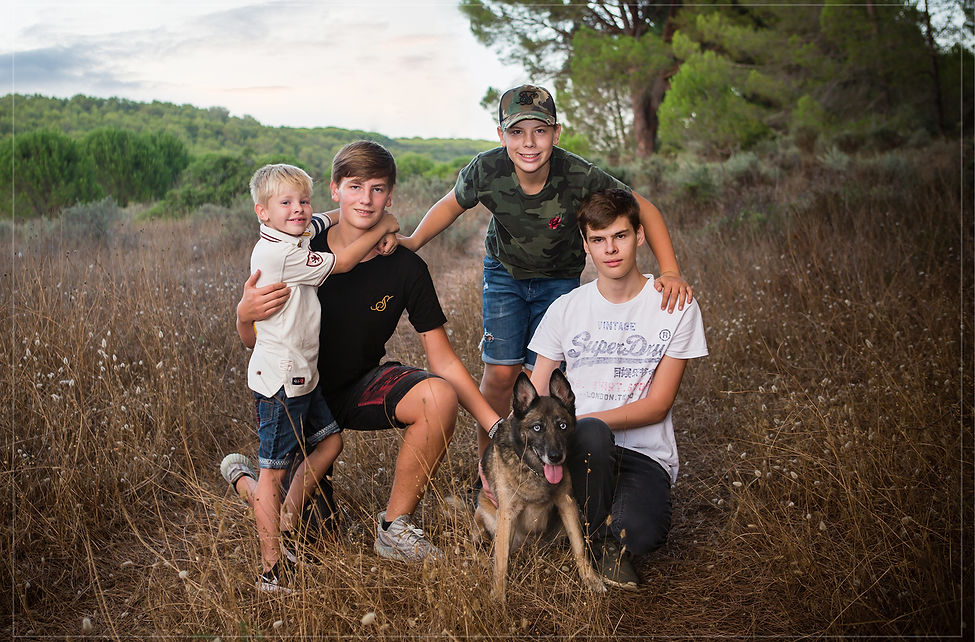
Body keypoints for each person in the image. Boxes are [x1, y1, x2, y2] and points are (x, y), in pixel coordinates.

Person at [227, 141, 502, 569]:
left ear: (390, 196)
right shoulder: (301, 241)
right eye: (355, 186)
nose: (367, 199)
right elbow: (254, 339)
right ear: (335, 190)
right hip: (298, 393)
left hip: (358, 386)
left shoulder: (405, 267)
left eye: (378, 190)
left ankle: (395, 528)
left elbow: (443, 359)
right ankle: (247, 481)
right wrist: (244, 315)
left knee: (438, 394)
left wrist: (495, 424)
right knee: (310, 533)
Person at [400, 84, 693, 460]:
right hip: (505, 273)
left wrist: (670, 270)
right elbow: (451, 205)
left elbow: (645, 209)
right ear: (501, 136)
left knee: (546, 374)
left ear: (556, 133)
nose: (529, 143)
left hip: (559, 278)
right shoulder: (487, 169)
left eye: (540, 131)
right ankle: (491, 466)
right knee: (503, 372)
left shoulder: (578, 175)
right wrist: (412, 241)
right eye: (517, 132)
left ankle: (543, 460)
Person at [526, 188, 708, 589]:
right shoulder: (566, 309)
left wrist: (579, 420)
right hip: (580, 448)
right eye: (598, 239)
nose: (610, 249)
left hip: (643, 454)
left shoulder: (675, 306)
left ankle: (598, 536)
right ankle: (589, 539)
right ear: (586, 244)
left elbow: (658, 406)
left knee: (640, 534)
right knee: (591, 434)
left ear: (639, 235)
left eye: (620, 236)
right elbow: (534, 400)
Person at [230, 163, 399, 593]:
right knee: (272, 472)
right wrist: (381, 229)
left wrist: (383, 219)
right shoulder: (280, 253)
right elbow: (341, 262)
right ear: (262, 212)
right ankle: (271, 568)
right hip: (281, 384)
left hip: (306, 376)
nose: (300, 209)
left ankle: (285, 512)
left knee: (331, 441)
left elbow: (330, 215)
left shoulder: (296, 232)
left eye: (303, 201)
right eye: (285, 203)